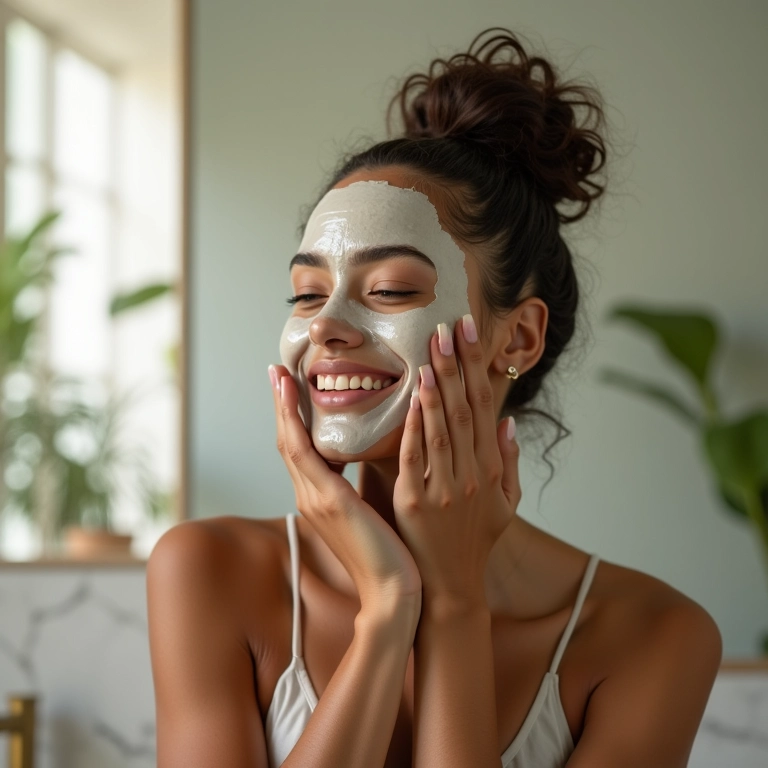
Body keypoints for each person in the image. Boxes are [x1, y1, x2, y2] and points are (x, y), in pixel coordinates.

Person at [147, 27, 722, 768]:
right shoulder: (208, 570)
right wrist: (388, 610)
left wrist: (452, 604)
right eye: (307, 293)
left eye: (389, 290)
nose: (325, 327)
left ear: (516, 340)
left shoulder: (653, 636)